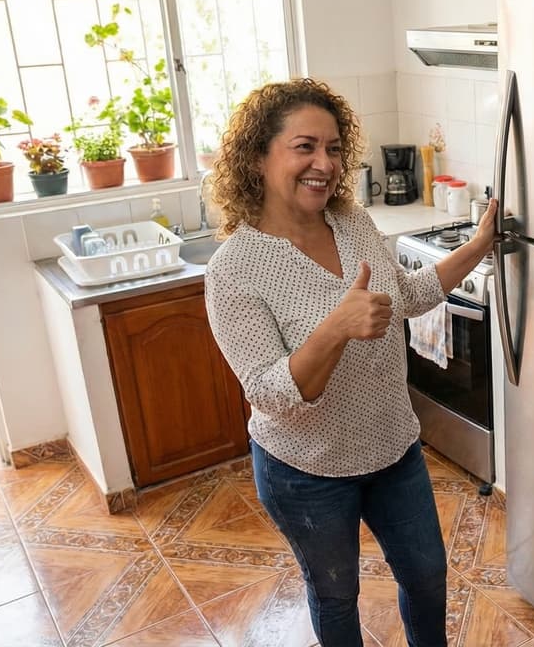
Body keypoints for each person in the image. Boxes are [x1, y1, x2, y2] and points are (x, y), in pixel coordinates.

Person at [203, 78, 497, 646]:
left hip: (392, 447)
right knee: (337, 598)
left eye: (334, 148)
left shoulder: (353, 222)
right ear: (259, 157)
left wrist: (478, 245)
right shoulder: (233, 269)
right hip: (305, 471)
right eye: (305, 146)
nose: (325, 163)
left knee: (428, 577)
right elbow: (270, 393)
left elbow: (405, 296)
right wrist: (336, 326)